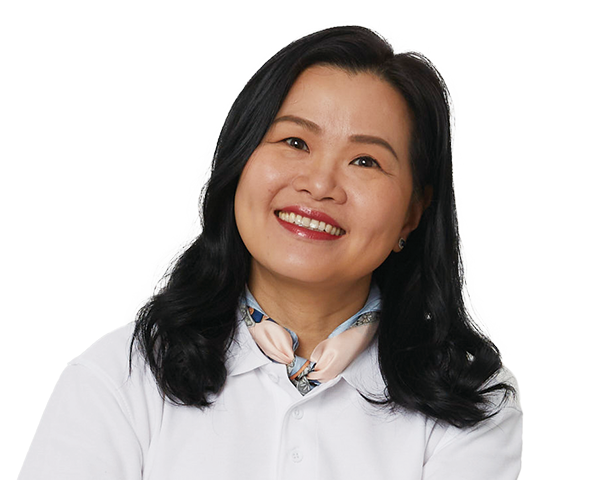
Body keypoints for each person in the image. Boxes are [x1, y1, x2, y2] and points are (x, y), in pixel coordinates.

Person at [18, 24, 522, 479]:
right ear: (239, 160)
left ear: (412, 213)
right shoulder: (119, 379)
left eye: (365, 161)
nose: (320, 185)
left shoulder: (468, 410)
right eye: (296, 143)